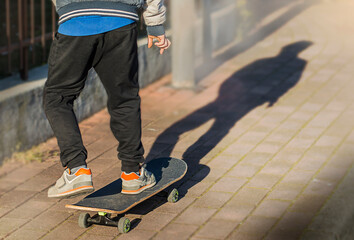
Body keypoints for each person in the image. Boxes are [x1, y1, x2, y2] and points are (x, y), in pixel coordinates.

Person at [44, 0, 171, 198]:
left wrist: (67, 7)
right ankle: (133, 173)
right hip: (120, 20)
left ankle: (76, 169)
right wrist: (155, 24)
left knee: (57, 98)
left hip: (75, 21)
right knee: (124, 99)